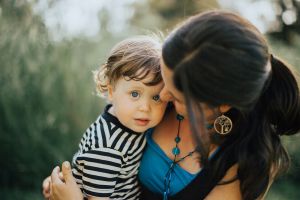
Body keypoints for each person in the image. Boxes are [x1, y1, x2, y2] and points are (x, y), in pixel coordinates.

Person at [47, 10, 300, 200]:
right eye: (162, 83)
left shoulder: (247, 161)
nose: (163, 96)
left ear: (222, 104)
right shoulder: (151, 109)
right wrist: (67, 183)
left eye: (177, 96)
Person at [43, 36, 168, 200]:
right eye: (135, 94)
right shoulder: (107, 148)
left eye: (156, 97)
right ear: (111, 92)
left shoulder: (128, 120)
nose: (145, 107)